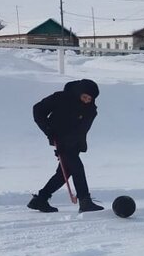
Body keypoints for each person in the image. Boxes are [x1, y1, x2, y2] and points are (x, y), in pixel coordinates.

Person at [28, 79, 104, 213]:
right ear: (78, 92)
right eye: (84, 97)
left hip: (73, 144)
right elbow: (38, 109)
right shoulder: (61, 98)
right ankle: (84, 201)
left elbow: (82, 129)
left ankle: (40, 199)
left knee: (63, 173)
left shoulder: (91, 110)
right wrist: (48, 129)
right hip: (61, 140)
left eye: (89, 99)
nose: (86, 100)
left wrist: (79, 145)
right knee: (77, 168)